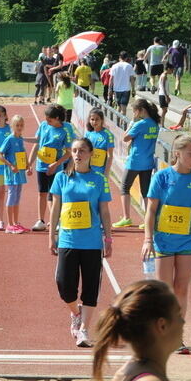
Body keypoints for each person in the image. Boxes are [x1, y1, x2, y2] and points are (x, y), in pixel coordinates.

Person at [143, 134, 191, 354]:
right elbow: (151, 211)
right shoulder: (162, 178)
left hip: (188, 241)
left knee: (181, 288)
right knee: (165, 290)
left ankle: (176, 337)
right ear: (177, 153)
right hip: (163, 240)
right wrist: (148, 239)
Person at [48, 137, 113, 347]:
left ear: (91, 153)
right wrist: (52, 235)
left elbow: (104, 210)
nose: (78, 154)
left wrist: (108, 238)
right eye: (75, 150)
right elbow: (55, 208)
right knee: (64, 285)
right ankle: (76, 313)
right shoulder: (61, 178)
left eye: (82, 150)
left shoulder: (100, 179)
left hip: (92, 241)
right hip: (68, 239)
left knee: (91, 287)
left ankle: (84, 330)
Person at [113, 99, 160, 228]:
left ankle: (127, 218)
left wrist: (132, 122)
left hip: (135, 161)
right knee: (145, 191)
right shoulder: (155, 124)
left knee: (124, 188)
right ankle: (147, 220)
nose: (134, 113)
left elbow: (125, 137)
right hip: (148, 162)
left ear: (141, 111)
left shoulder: (140, 124)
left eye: (134, 111)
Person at [28, 104, 73, 231]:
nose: (47, 122)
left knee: (55, 195)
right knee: (42, 193)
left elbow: (69, 152)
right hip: (41, 166)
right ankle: (41, 221)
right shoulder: (43, 125)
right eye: (46, 119)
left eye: (50, 120)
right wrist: (29, 163)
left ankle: (58, 220)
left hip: (56, 168)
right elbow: (37, 143)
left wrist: (56, 164)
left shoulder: (66, 129)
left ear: (58, 118)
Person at [0, 115, 32, 233]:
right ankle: (10, 225)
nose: (19, 127)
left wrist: (28, 166)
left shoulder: (20, 139)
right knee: (11, 197)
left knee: (17, 198)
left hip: (20, 173)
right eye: (17, 125)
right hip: (12, 174)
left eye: (21, 125)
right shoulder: (10, 139)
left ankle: (16, 223)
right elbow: (0, 155)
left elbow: (23, 154)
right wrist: (10, 165)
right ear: (12, 126)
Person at [85, 108, 115, 178]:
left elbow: (110, 156)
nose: (94, 122)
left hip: (100, 172)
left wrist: (106, 173)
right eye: (92, 119)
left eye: (97, 119)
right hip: (87, 170)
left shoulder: (108, 135)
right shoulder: (88, 134)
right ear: (89, 120)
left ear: (102, 120)